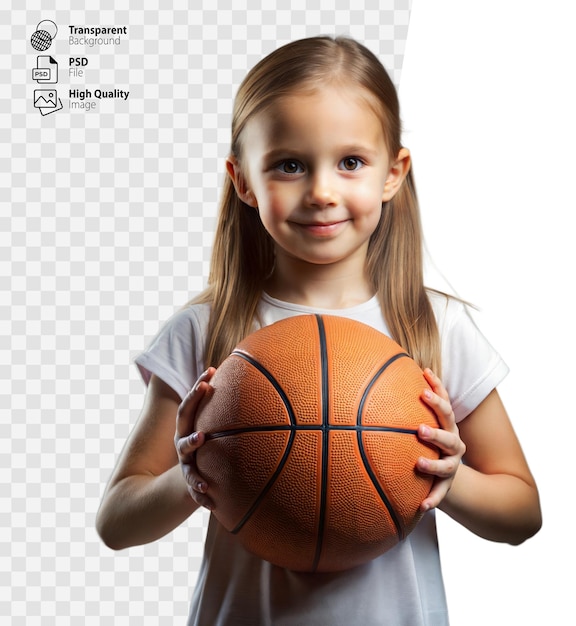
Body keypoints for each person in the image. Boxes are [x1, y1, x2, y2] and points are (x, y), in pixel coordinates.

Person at [96, 35, 542, 625]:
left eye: (350, 162)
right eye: (289, 164)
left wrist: (449, 478)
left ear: (393, 172)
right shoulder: (205, 330)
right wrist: (192, 475)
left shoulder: (436, 327)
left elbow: (522, 513)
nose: (323, 191)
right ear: (243, 180)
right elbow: (116, 521)